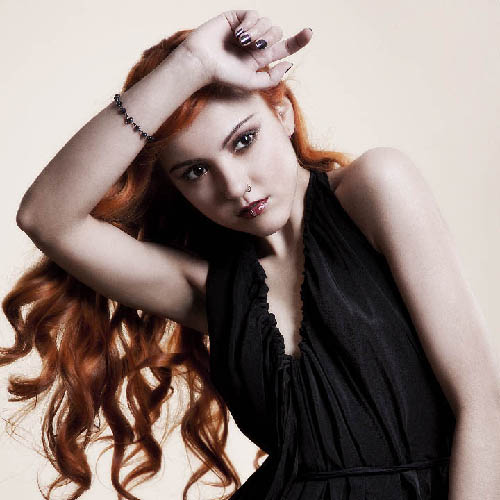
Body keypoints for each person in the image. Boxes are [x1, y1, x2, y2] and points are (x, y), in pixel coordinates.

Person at [2, 8, 498, 500]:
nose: (235, 186)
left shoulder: (376, 186)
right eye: (196, 172)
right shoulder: (212, 290)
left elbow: (483, 404)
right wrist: (189, 64)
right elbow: (46, 218)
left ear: (282, 114)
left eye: (243, 141)